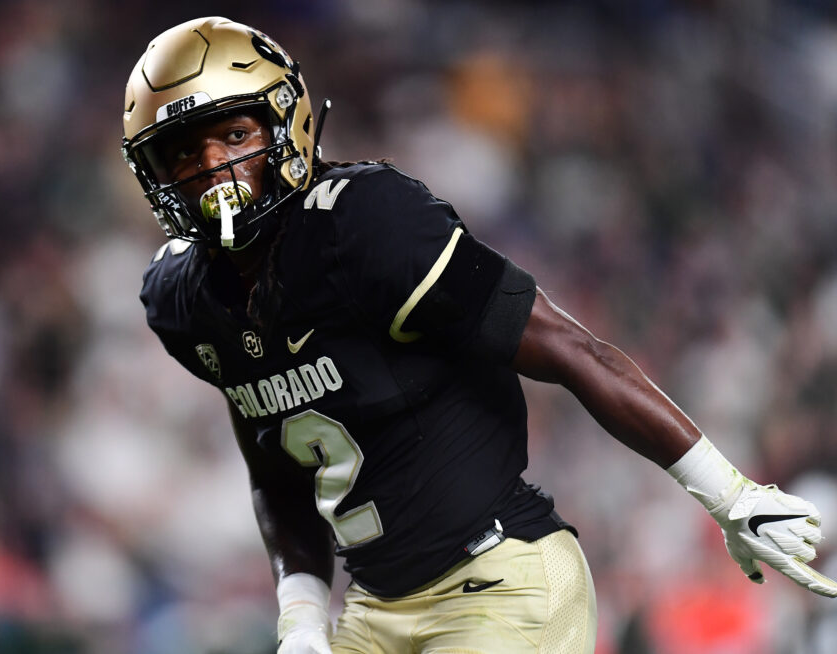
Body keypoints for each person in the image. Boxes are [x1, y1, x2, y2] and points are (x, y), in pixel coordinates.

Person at [120, 16, 837, 654]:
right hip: (372, 613)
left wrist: (728, 493)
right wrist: (302, 618)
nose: (214, 169)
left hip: (500, 578)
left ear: (286, 125)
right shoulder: (182, 300)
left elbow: (567, 348)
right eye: (183, 153)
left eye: (235, 136)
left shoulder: (366, 225)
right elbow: (275, 465)